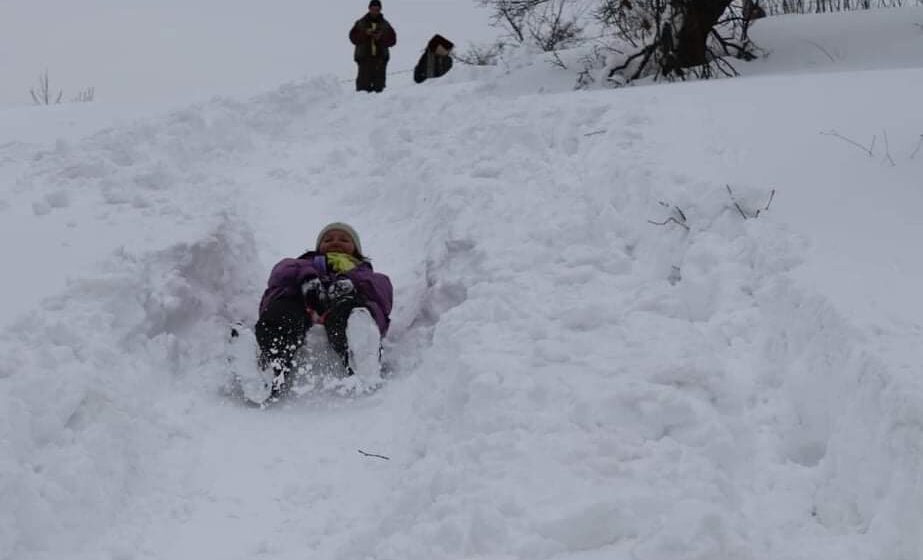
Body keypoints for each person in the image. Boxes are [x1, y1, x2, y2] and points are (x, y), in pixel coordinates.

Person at [255, 223, 393, 394]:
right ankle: (271, 366)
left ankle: (362, 357)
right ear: (318, 247)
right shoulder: (303, 263)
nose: (336, 242)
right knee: (283, 309)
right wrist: (307, 278)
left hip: (342, 308)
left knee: (353, 314)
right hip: (303, 306)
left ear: (356, 250)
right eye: (328, 239)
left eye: (344, 239)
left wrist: (352, 283)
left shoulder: (363, 272)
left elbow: (381, 290)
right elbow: (280, 273)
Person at [349, 0, 397, 93]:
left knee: (379, 91)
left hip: (380, 61)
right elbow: (353, 38)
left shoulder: (385, 25)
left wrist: (381, 37)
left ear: (380, 10)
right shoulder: (360, 23)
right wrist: (365, 33)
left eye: (377, 9)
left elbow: (393, 40)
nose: (375, 11)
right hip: (364, 61)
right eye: (373, 9)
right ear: (369, 9)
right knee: (362, 91)